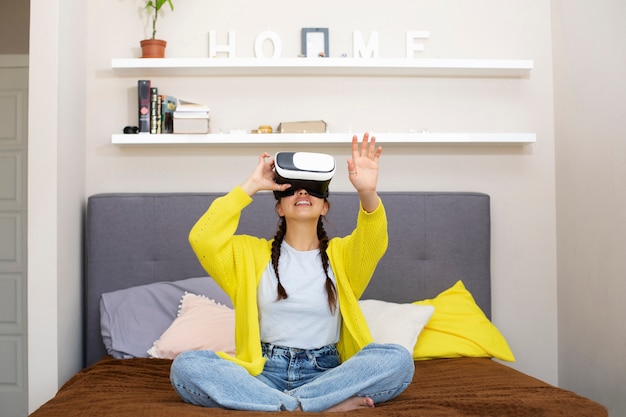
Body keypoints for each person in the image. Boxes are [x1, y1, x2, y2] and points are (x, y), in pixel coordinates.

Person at [170, 133, 415, 412]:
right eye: (291, 188)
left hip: (326, 373)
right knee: (186, 367)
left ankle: (285, 406)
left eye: (312, 188)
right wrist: (252, 184)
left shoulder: (344, 257)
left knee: (397, 360)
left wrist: (367, 193)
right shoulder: (249, 256)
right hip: (263, 374)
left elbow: (374, 238)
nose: (301, 193)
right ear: (279, 206)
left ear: (324, 206)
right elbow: (202, 238)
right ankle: (311, 406)